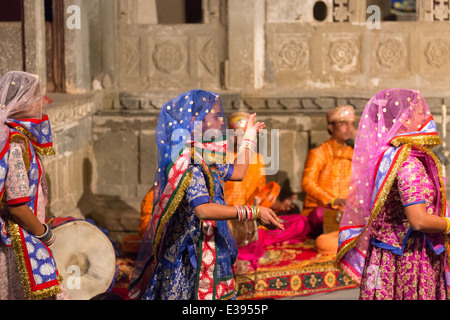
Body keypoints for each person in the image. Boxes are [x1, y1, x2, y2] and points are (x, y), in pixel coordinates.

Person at [128, 90, 283, 300]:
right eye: (216, 116)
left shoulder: (205, 155)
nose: (221, 122)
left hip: (210, 242)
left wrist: (248, 137)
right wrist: (252, 212)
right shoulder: (188, 161)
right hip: (189, 254)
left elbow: (237, 173)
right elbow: (202, 209)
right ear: (195, 120)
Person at [337, 88, 450, 300]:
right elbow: (418, 220)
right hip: (408, 259)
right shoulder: (407, 163)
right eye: (419, 111)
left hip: (384, 256)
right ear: (404, 121)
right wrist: (449, 225)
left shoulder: (389, 157)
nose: (426, 116)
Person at [0, 71, 67, 300]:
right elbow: (16, 205)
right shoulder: (16, 143)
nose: (42, 103)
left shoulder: (17, 136)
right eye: (37, 97)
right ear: (21, 102)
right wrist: (44, 234)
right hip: (19, 238)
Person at [224, 112, 307, 273]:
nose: (240, 138)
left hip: (255, 219)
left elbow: (260, 196)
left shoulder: (258, 159)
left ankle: (251, 242)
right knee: (237, 236)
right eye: (237, 134)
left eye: (245, 134)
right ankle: (241, 249)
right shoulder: (221, 159)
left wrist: (278, 204)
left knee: (301, 222)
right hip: (230, 220)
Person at [301, 105, 355, 237]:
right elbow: (307, 183)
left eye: (351, 124)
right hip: (323, 209)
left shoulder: (355, 154)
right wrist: (332, 200)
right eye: (343, 123)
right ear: (331, 127)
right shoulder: (319, 153)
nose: (350, 128)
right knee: (321, 215)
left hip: (346, 210)